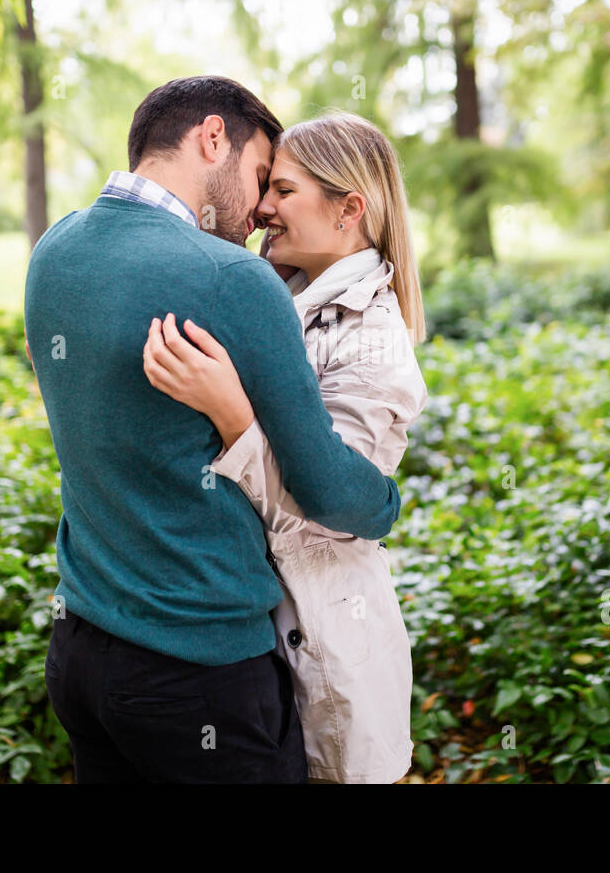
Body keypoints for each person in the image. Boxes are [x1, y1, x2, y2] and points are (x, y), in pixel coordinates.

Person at [24, 77, 403, 783]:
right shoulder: (231, 278)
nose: (259, 212)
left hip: (80, 648)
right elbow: (326, 485)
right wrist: (386, 505)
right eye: (262, 176)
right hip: (201, 671)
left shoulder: (53, 250)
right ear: (210, 138)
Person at [143, 111, 427, 783]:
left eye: (285, 192)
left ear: (348, 209)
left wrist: (232, 415)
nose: (262, 207)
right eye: (265, 186)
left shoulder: (372, 342)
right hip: (254, 643)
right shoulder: (282, 299)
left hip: (328, 656)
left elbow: (330, 505)